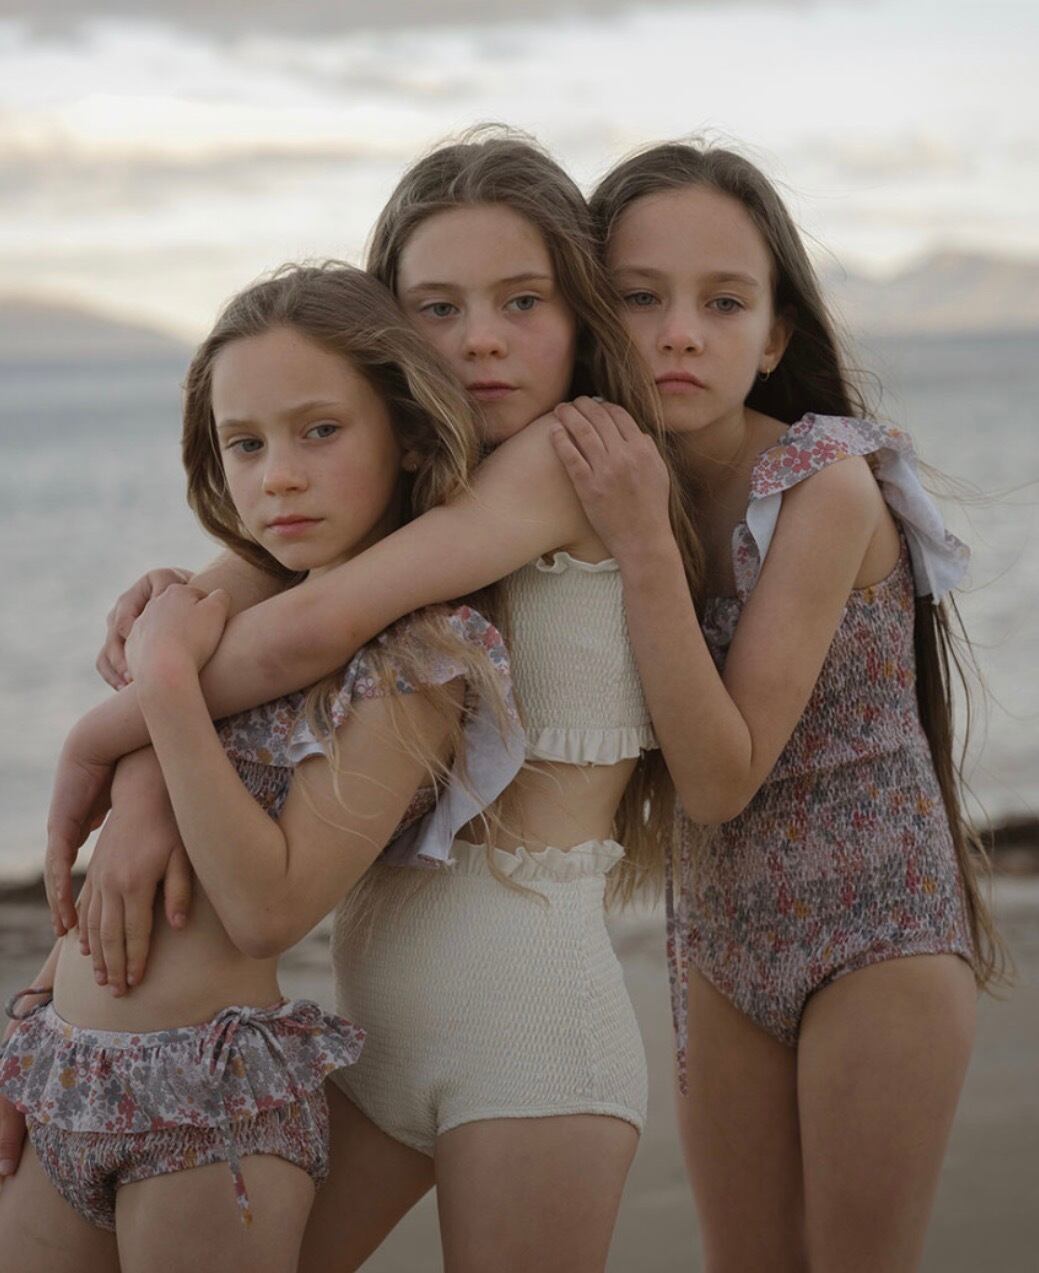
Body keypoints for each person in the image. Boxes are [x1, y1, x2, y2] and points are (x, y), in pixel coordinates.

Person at [14, 133, 704, 1272]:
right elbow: (243, 617)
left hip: (528, 1032)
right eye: (436, 308)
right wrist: (140, 797)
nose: (478, 339)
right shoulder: (394, 502)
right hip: (369, 1034)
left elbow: (305, 632)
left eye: (521, 301)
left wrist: (108, 732)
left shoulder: (565, 456)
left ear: (578, 314)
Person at [0, 262, 519, 1273]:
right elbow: (124, 871)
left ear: (409, 435)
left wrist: (165, 686)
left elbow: (269, 906)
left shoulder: (419, 660)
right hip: (62, 1067)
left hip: (207, 1113)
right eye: (246, 443)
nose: (278, 475)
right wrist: (32, 1019)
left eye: (319, 431)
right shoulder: (238, 608)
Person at [547, 140, 1004, 1273]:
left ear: (773, 337)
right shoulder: (592, 475)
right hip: (719, 937)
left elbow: (719, 777)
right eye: (640, 298)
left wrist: (642, 542)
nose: (680, 333)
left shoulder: (822, 483)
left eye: (723, 301)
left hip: (879, 928)